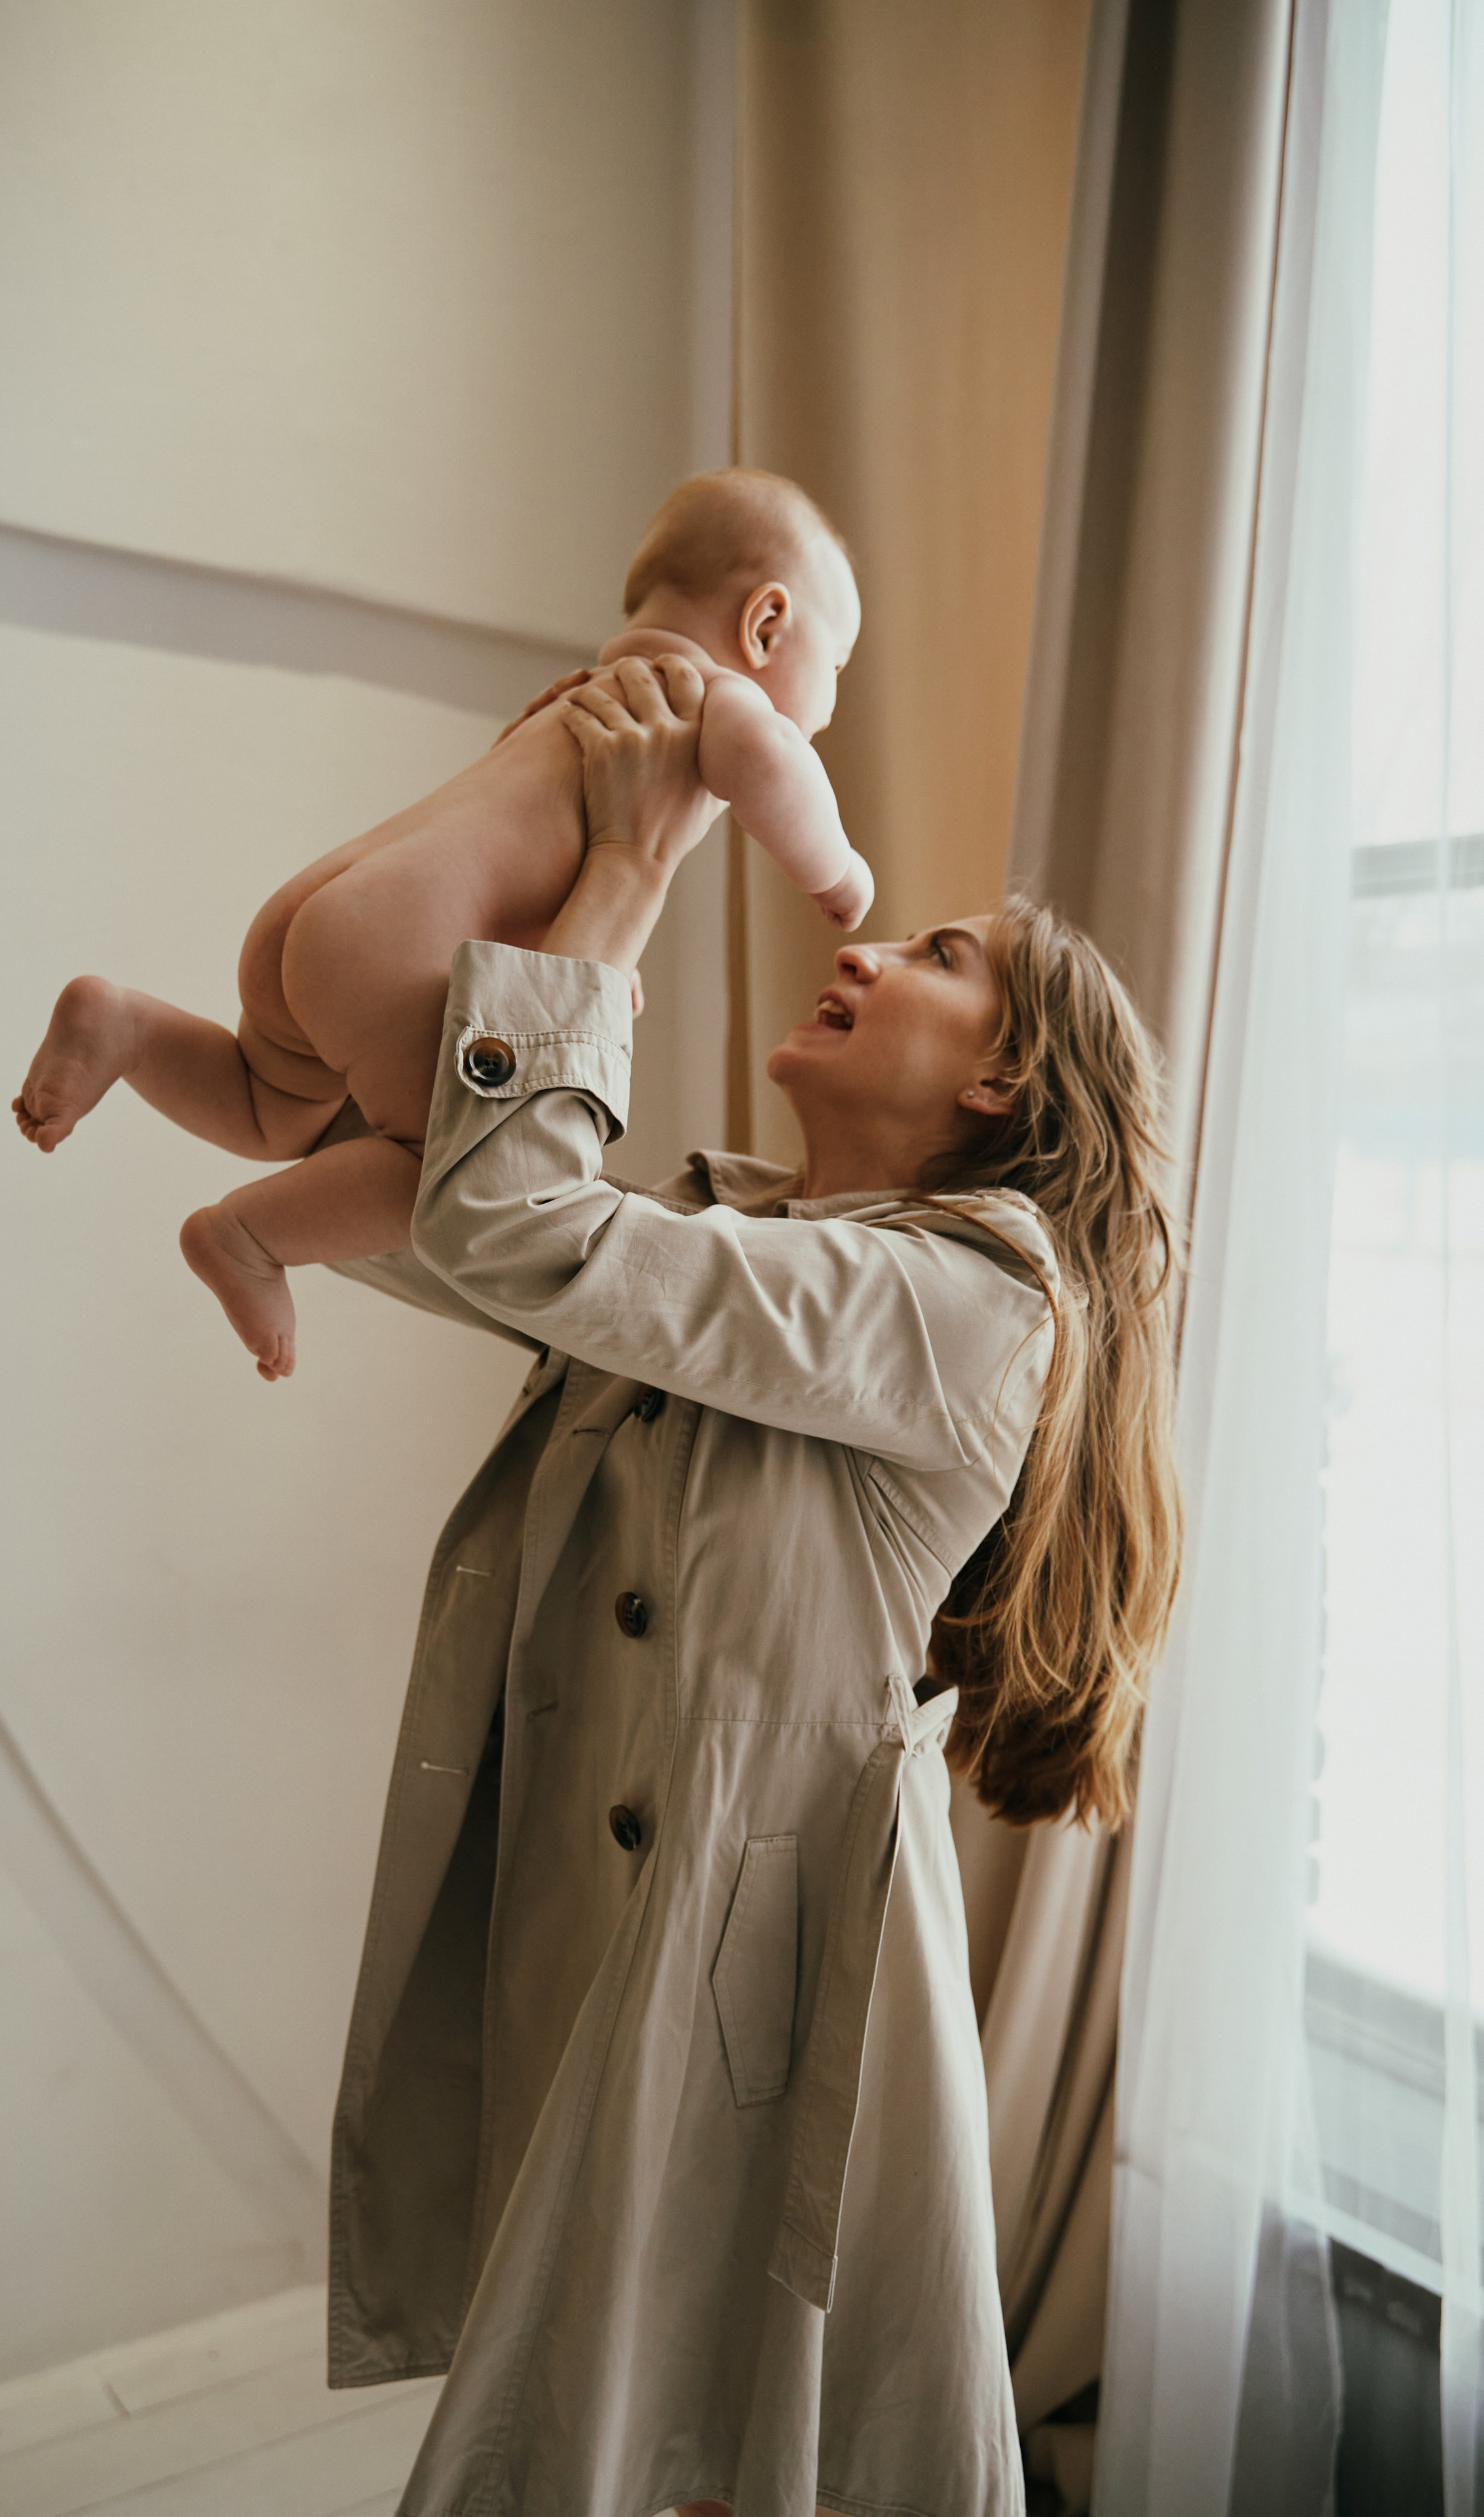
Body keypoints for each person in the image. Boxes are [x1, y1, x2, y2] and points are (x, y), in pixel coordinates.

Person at [322, 655, 1182, 2517]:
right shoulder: (767, 1252)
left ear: (1010, 1072)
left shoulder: (975, 1297)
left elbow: (521, 1221)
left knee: (703, 2429)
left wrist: (624, 871)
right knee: (659, 2421)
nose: (868, 954)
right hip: (633, 1911)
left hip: (750, 1967)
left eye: (937, 955)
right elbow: (434, 1212)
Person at [10, 470, 871, 1380]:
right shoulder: (706, 699)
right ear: (766, 624)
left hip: (326, 909)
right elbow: (776, 769)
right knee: (449, 1164)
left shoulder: (579, 696)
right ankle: (249, 1239)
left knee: (272, 1104)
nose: (832, 701)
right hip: (394, 956)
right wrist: (841, 871)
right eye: (840, 664)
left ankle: (128, 1027)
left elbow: (513, 869)